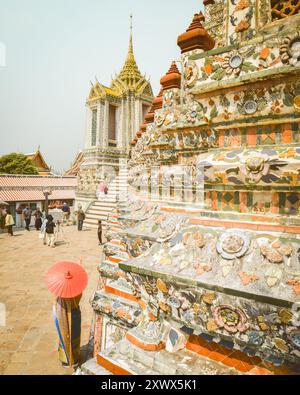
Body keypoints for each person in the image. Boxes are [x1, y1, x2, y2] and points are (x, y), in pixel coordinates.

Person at [53, 294, 82, 368]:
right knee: (69, 336)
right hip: (71, 312)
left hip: (66, 313)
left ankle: (68, 358)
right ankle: (71, 359)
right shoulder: (77, 289)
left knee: (67, 336)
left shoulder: (61, 292)